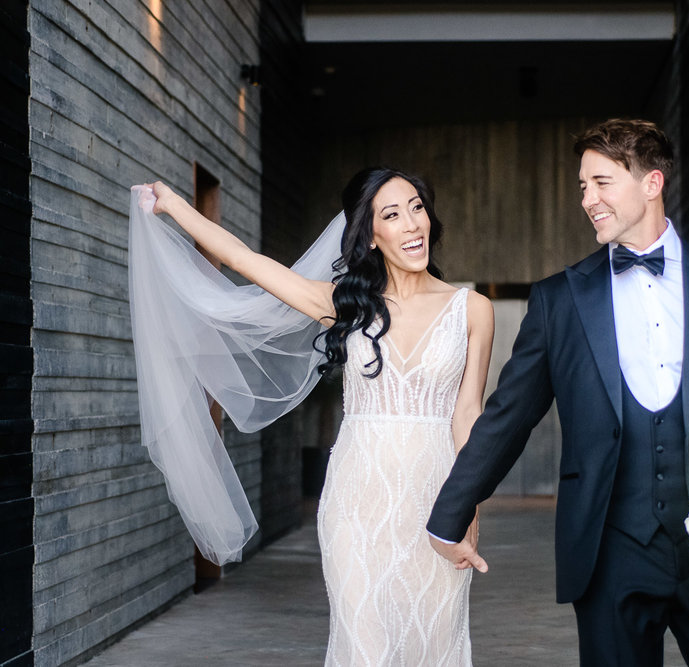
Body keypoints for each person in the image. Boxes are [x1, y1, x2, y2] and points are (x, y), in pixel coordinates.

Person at [427, 119, 689, 666]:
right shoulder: (559, 301)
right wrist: (449, 514)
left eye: (601, 182)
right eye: (582, 187)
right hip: (609, 551)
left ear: (652, 183)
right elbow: (508, 416)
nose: (587, 200)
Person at [133, 167, 494, 666]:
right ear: (370, 235)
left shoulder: (472, 309)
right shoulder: (345, 307)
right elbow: (246, 261)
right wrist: (174, 205)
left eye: (417, 207)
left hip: (436, 500)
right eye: (392, 214)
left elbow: (468, 415)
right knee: (365, 648)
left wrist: (468, 509)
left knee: (433, 642)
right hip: (356, 502)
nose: (413, 224)